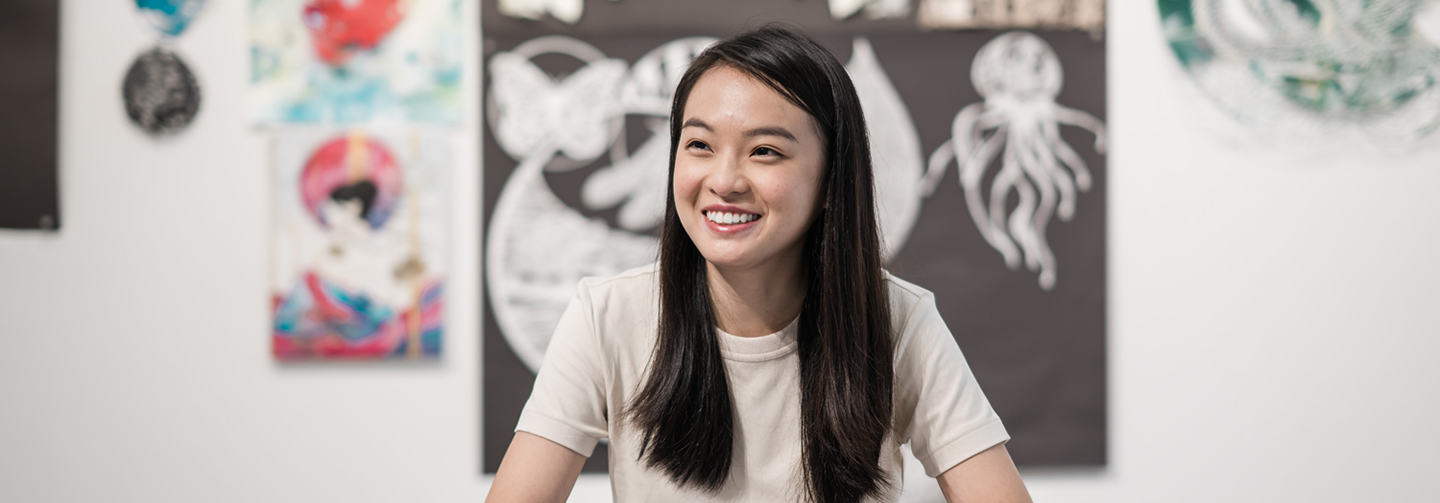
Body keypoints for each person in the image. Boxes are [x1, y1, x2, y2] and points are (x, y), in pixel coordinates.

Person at [487, 26, 1031, 503]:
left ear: (830, 180)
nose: (723, 181)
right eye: (699, 145)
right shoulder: (607, 315)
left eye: (764, 151)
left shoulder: (898, 321)